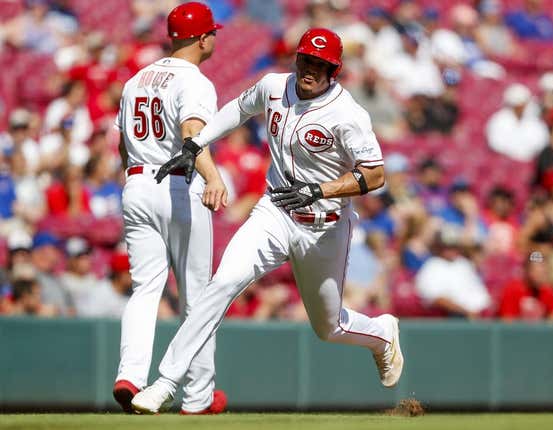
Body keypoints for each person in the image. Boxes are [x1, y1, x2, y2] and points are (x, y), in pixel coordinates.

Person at [131, 27, 404, 414]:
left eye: (320, 64)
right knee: (222, 283)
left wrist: (320, 190)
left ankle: (381, 335)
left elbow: (375, 175)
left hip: (323, 225)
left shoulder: (348, 115)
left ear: (335, 70)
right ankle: (165, 383)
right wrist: (197, 142)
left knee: (329, 328)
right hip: (274, 211)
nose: (310, 69)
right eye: (306, 59)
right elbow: (238, 109)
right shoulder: (275, 86)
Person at [112, 2, 228, 415]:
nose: (215, 37)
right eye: (212, 32)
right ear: (202, 38)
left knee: (145, 288)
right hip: (178, 185)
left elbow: (122, 143)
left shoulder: (137, 78)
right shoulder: (194, 81)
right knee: (198, 294)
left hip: (137, 181)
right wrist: (213, 176)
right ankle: (198, 396)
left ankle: (130, 375)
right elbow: (191, 134)